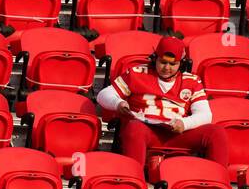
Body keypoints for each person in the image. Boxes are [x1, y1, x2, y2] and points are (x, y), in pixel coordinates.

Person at [96, 35, 229, 173]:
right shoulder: (138, 73)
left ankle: (218, 181)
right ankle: (134, 178)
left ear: (181, 64)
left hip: (178, 133)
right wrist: (118, 103)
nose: (167, 68)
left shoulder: (192, 81)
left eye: (173, 64)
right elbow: (103, 95)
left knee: (217, 133)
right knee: (135, 128)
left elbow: (205, 114)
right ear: (154, 59)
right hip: (147, 131)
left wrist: (185, 124)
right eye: (162, 62)